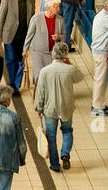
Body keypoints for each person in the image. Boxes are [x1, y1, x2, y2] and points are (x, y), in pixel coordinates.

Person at [33, 41, 83, 172]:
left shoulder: (44, 71)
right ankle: (65, 153)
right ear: (65, 55)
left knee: (51, 136)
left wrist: (38, 107)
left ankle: (55, 164)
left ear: (53, 54)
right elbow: (80, 78)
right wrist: (69, 62)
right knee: (67, 131)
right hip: (67, 107)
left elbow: (40, 92)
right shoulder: (70, 69)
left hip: (50, 109)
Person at [0, 0, 35, 92]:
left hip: (23, 37)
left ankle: (16, 82)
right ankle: (13, 85)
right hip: (10, 36)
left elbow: (32, 20)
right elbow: (2, 18)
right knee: (11, 60)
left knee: (20, 60)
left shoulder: (31, 0)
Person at [23, 0, 65, 92]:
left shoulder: (60, 20)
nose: (58, 9)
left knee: (50, 76)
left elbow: (64, 36)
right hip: (38, 52)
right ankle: (37, 94)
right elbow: (30, 34)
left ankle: (48, 94)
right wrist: (25, 49)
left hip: (53, 53)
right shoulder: (37, 18)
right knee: (38, 75)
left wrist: (58, 37)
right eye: (56, 7)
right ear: (50, 7)